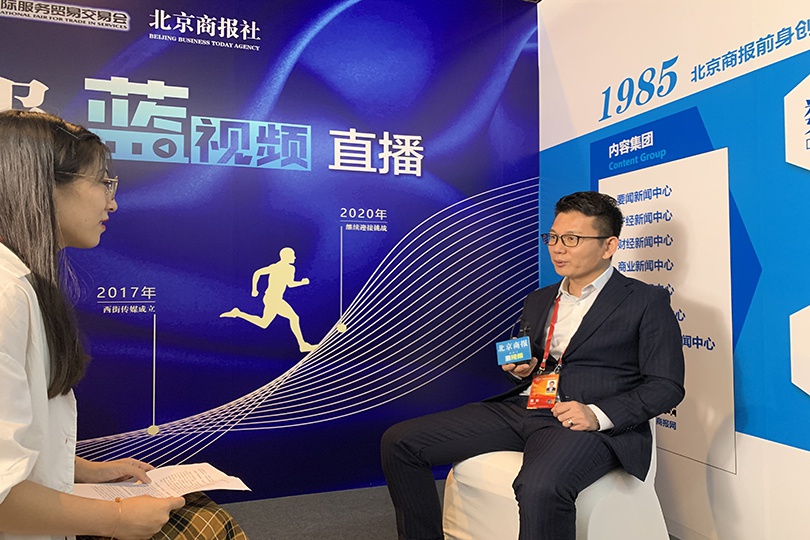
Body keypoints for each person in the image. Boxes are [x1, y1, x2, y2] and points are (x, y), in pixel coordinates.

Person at [381, 191, 685, 540]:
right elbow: (538, 358)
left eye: (572, 239)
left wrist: (597, 414)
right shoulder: (540, 298)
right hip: (526, 406)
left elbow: (666, 386)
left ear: (608, 246)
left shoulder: (646, 301)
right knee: (400, 442)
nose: (557, 248)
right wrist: (521, 368)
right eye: (553, 237)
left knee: (540, 487)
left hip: (580, 420)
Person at [0, 109, 246, 540]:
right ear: (43, 184)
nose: (111, 202)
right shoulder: (6, 297)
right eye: (102, 182)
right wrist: (117, 519)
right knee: (201, 528)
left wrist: (84, 469)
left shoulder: (21, 285)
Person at [220, 247, 316, 352]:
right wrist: (254, 289)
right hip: (273, 299)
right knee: (294, 318)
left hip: (272, 298)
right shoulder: (282, 268)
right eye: (292, 255)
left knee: (264, 323)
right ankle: (302, 345)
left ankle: (238, 313)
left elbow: (288, 283)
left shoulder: (285, 268)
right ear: (286, 257)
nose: (294, 257)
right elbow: (258, 273)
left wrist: (255, 289)